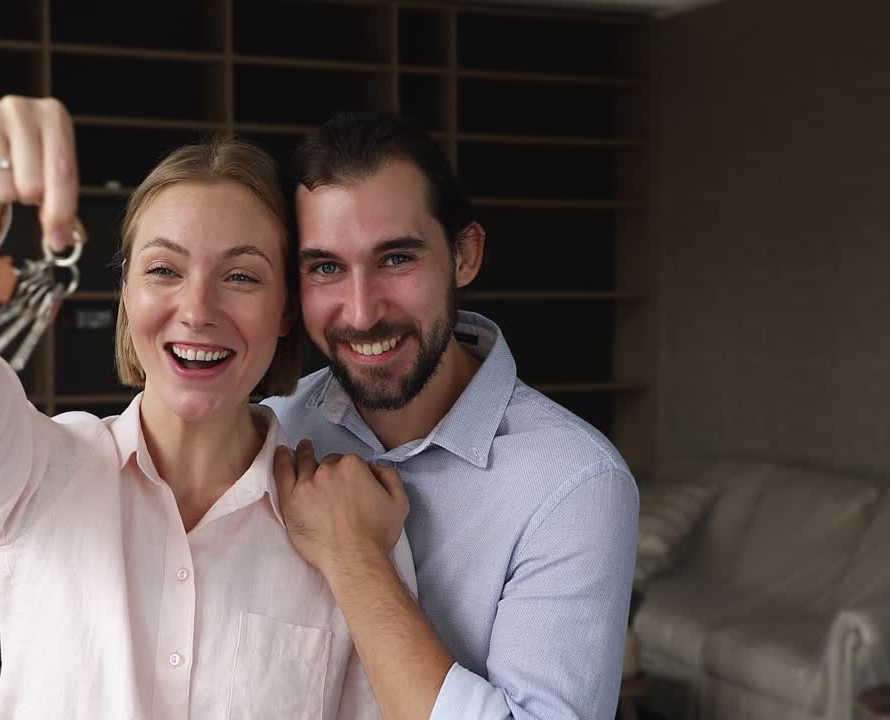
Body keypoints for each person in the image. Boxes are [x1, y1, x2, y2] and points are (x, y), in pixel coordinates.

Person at [0, 96, 415, 719]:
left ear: (287, 308)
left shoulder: (348, 529)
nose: (199, 309)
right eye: (163, 269)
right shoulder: (41, 475)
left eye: (242, 277)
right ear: (126, 293)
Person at [263, 112, 640, 720]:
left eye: (395, 260)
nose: (361, 313)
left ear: (464, 255)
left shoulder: (576, 485)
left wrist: (355, 558)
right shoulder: (272, 432)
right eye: (326, 267)